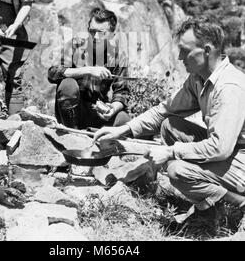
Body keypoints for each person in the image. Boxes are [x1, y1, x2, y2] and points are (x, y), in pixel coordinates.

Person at [94, 17, 245, 230]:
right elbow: (165, 110)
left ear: (207, 50)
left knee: (177, 170)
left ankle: (236, 203)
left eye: (185, 50)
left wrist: (172, 152)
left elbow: (220, 148)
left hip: (240, 161)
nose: (180, 57)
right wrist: (123, 129)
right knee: (170, 125)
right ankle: (209, 205)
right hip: (229, 154)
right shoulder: (198, 79)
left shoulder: (229, 87)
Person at [48, 8, 130, 130]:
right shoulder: (75, 45)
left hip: (96, 112)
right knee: (68, 84)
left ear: (112, 34)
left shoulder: (118, 56)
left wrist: (112, 109)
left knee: (123, 118)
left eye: (101, 32)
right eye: (92, 31)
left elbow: (122, 93)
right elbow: (53, 73)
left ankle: (96, 134)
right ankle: (72, 132)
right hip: (71, 110)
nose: (95, 37)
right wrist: (87, 70)